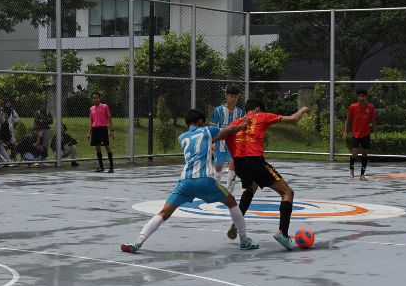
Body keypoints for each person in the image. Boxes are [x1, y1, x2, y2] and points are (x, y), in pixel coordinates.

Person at [120, 109, 257, 253]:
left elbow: (206, 142)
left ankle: (138, 242)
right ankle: (244, 240)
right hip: (204, 180)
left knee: (164, 212)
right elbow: (228, 131)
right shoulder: (207, 130)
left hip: (185, 182)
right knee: (231, 202)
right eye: (203, 121)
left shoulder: (183, 137)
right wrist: (243, 125)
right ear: (200, 121)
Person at [224, 98, 310, 251]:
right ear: (258, 109)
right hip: (255, 161)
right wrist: (303, 110)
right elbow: (293, 118)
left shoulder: (235, 123)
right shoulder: (261, 116)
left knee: (251, 187)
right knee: (287, 193)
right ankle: (283, 233)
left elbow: (227, 140)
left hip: (239, 164)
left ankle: (237, 223)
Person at [211, 84, 245, 194]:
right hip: (220, 143)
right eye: (231, 96)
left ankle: (229, 192)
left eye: (235, 97)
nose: (233, 99)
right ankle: (216, 190)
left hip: (233, 144)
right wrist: (212, 142)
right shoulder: (218, 110)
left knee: (232, 164)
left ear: (238, 97)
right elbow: (213, 127)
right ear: (226, 96)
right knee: (218, 166)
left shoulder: (239, 112)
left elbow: (240, 128)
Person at [343, 88, 377, 180]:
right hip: (355, 133)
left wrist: (375, 134)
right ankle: (351, 169)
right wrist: (345, 131)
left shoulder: (370, 107)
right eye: (360, 96)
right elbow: (348, 120)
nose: (361, 98)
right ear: (357, 97)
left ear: (366, 97)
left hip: (366, 133)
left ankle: (362, 174)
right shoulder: (353, 107)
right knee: (354, 152)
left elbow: (373, 121)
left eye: (363, 96)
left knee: (365, 154)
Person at [89, 91, 114, 173]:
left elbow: (109, 118)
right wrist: (89, 132)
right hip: (95, 129)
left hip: (103, 129)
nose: (95, 99)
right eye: (94, 98)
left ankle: (111, 166)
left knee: (107, 146)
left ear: (99, 98)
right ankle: (101, 166)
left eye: (97, 97)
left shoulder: (104, 106)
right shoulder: (91, 109)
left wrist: (111, 129)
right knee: (97, 148)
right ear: (92, 99)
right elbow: (91, 121)